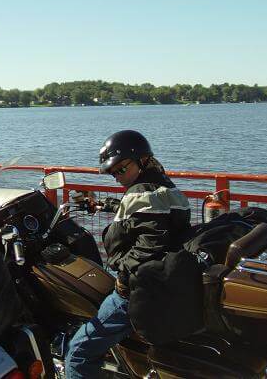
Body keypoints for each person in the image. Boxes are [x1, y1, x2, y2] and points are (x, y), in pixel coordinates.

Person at [65, 130, 191, 378]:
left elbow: (151, 243)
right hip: (167, 280)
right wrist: (103, 205)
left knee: (78, 352)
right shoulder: (164, 187)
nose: (118, 177)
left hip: (136, 289)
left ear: (142, 159)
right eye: (113, 173)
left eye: (121, 170)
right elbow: (145, 214)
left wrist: (123, 276)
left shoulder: (141, 193)